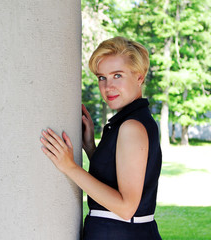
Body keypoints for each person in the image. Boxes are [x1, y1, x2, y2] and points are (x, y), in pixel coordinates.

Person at [40, 36, 162, 239]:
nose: (108, 86)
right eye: (101, 77)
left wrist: (69, 166)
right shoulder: (131, 120)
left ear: (139, 77)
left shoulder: (132, 126)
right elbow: (117, 179)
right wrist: (90, 147)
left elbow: (126, 208)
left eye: (117, 75)